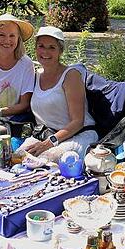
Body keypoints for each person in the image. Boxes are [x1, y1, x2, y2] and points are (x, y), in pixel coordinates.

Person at [15, 26, 97, 162]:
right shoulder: (35, 76)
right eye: (41, 46)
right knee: (17, 158)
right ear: (35, 49)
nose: (45, 52)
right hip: (46, 136)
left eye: (52, 47)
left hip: (78, 135)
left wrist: (48, 143)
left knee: (44, 161)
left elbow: (78, 122)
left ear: (60, 51)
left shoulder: (71, 76)